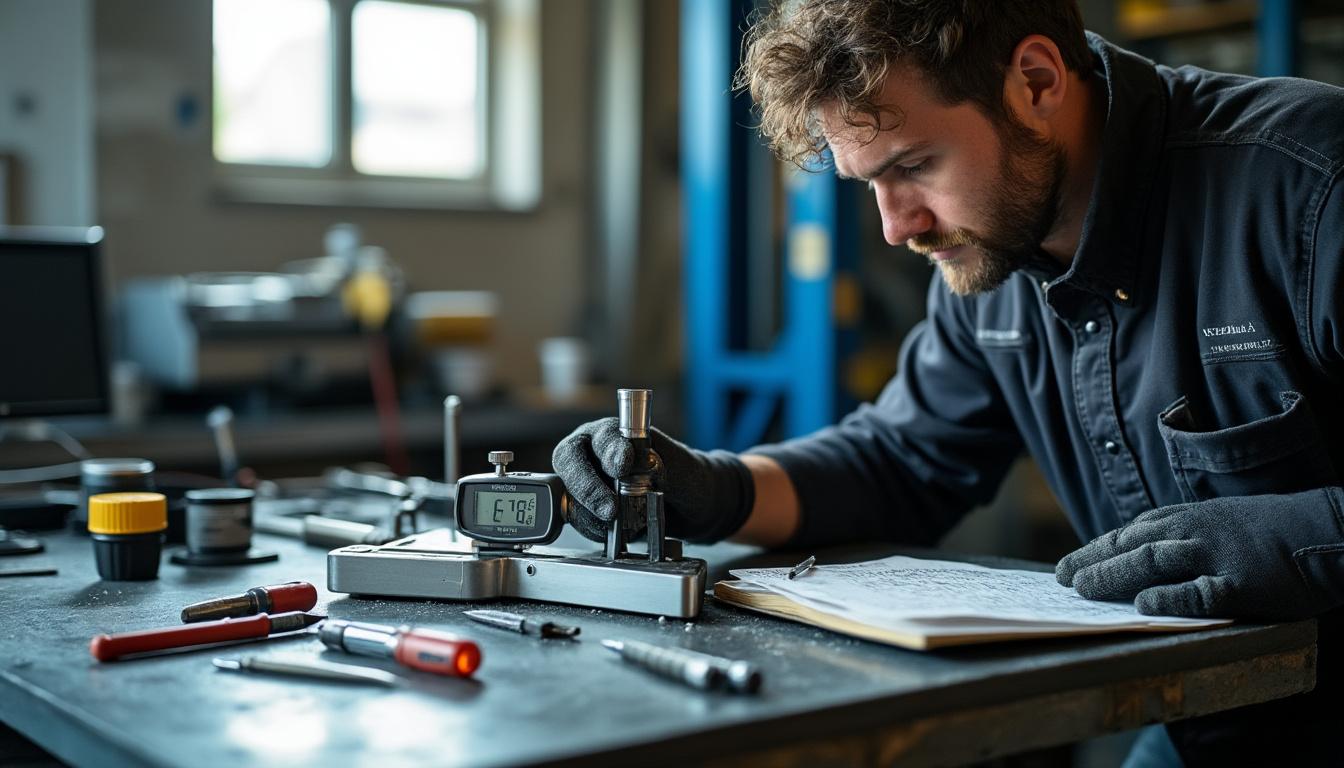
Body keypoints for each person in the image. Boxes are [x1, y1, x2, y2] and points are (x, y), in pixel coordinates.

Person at [552, 1, 1344, 764]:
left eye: (915, 166)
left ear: (1034, 82)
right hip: (1217, 723)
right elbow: (902, 460)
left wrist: (1304, 539)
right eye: (869, 183)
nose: (898, 226)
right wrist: (713, 490)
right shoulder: (992, 246)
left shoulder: (1311, 190)